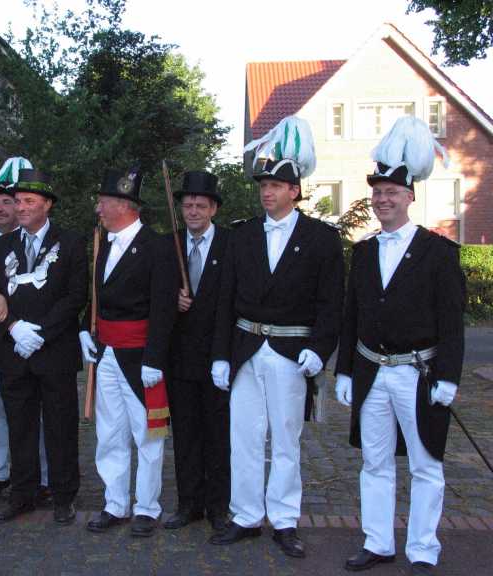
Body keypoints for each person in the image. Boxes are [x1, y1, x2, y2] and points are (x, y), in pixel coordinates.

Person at [209, 116, 344, 557]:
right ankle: (246, 515)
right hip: (246, 347)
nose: (266, 192)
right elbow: (225, 299)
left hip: (290, 350)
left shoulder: (321, 239)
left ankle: (284, 520)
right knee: (244, 438)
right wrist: (221, 355)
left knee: (286, 440)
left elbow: (331, 303)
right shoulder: (242, 235)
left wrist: (320, 350)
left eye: (275, 185)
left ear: (295, 190)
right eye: (263, 185)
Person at [335, 117, 465, 575]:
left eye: (391, 192)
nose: (382, 200)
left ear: (410, 196)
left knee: (426, 464)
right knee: (374, 463)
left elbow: (452, 323)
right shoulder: (364, 252)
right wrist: (345, 369)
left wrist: (449, 377)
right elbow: (352, 316)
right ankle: (377, 542)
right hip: (372, 372)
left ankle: (423, 549)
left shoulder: (439, 253)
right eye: (377, 193)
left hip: (419, 375)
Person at [0, 168, 87, 525]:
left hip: (54, 351)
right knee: (19, 428)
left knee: (60, 427)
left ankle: (63, 495)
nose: (20, 207)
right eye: (18, 201)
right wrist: (13, 326)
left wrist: (40, 333)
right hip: (13, 351)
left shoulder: (70, 242)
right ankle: (22, 494)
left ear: (47, 204)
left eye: (28, 201)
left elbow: (75, 296)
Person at [79, 167, 178, 538]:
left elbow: (164, 308)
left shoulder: (158, 246)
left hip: (140, 357)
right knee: (110, 433)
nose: (98, 209)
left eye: (103, 202)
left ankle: (147, 508)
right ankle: (115, 503)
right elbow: (95, 294)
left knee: (149, 435)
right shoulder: (103, 243)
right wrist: (84, 329)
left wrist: (155, 357)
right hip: (106, 352)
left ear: (124, 205)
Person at [0, 157, 51, 507]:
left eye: (10, 201)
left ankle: (41, 476)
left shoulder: (40, 241)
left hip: (28, 338)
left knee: (33, 413)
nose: (3, 208)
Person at [164, 170, 231, 532]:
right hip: (180, 358)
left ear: (213, 209)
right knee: (186, 434)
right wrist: (171, 300)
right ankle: (188, 503)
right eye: (188, 205)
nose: (192, 211)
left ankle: (218, 506)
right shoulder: (169, 245)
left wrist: (224, 355)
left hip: (218, 356)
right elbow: (154, 295)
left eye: (200, 206)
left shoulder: (231, 244)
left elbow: (234, 302)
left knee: (217, 434)